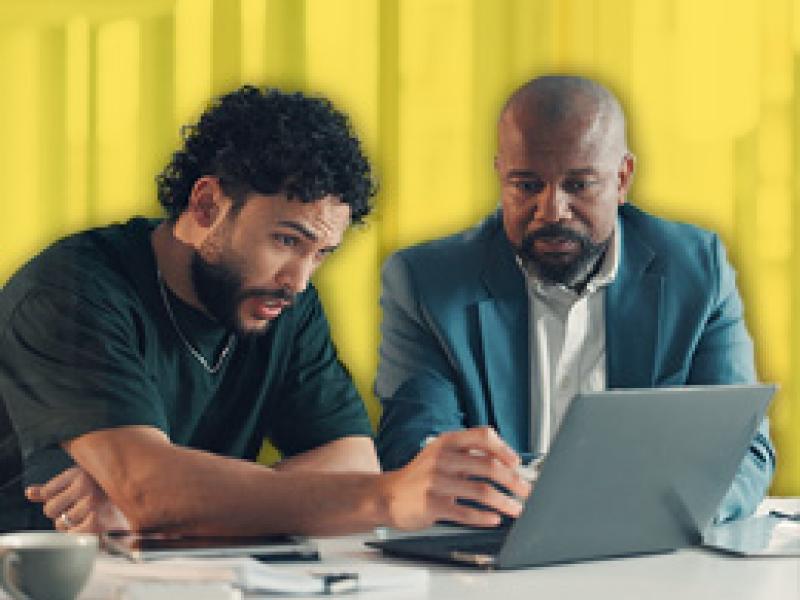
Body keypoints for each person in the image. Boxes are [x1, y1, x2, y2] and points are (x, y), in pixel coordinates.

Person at [0, 86, 530, 535]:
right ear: (206, 205)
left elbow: (352, 460)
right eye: (285, 240)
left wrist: (182, 500)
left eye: (321, 254)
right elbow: (149, 491)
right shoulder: (71, 292)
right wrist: (158, 493)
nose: (298, 281)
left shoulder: (279, 302)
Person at [375, 75, 775, 522]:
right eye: (526, 185)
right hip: (492, 545)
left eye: (579, 185)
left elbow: (743, 449)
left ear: (622, 179)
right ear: (501, 176)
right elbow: (415, 452)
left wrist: (666, 514)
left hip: (647, 544)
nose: (551, 211)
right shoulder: (426, 283)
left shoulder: (696, 271)